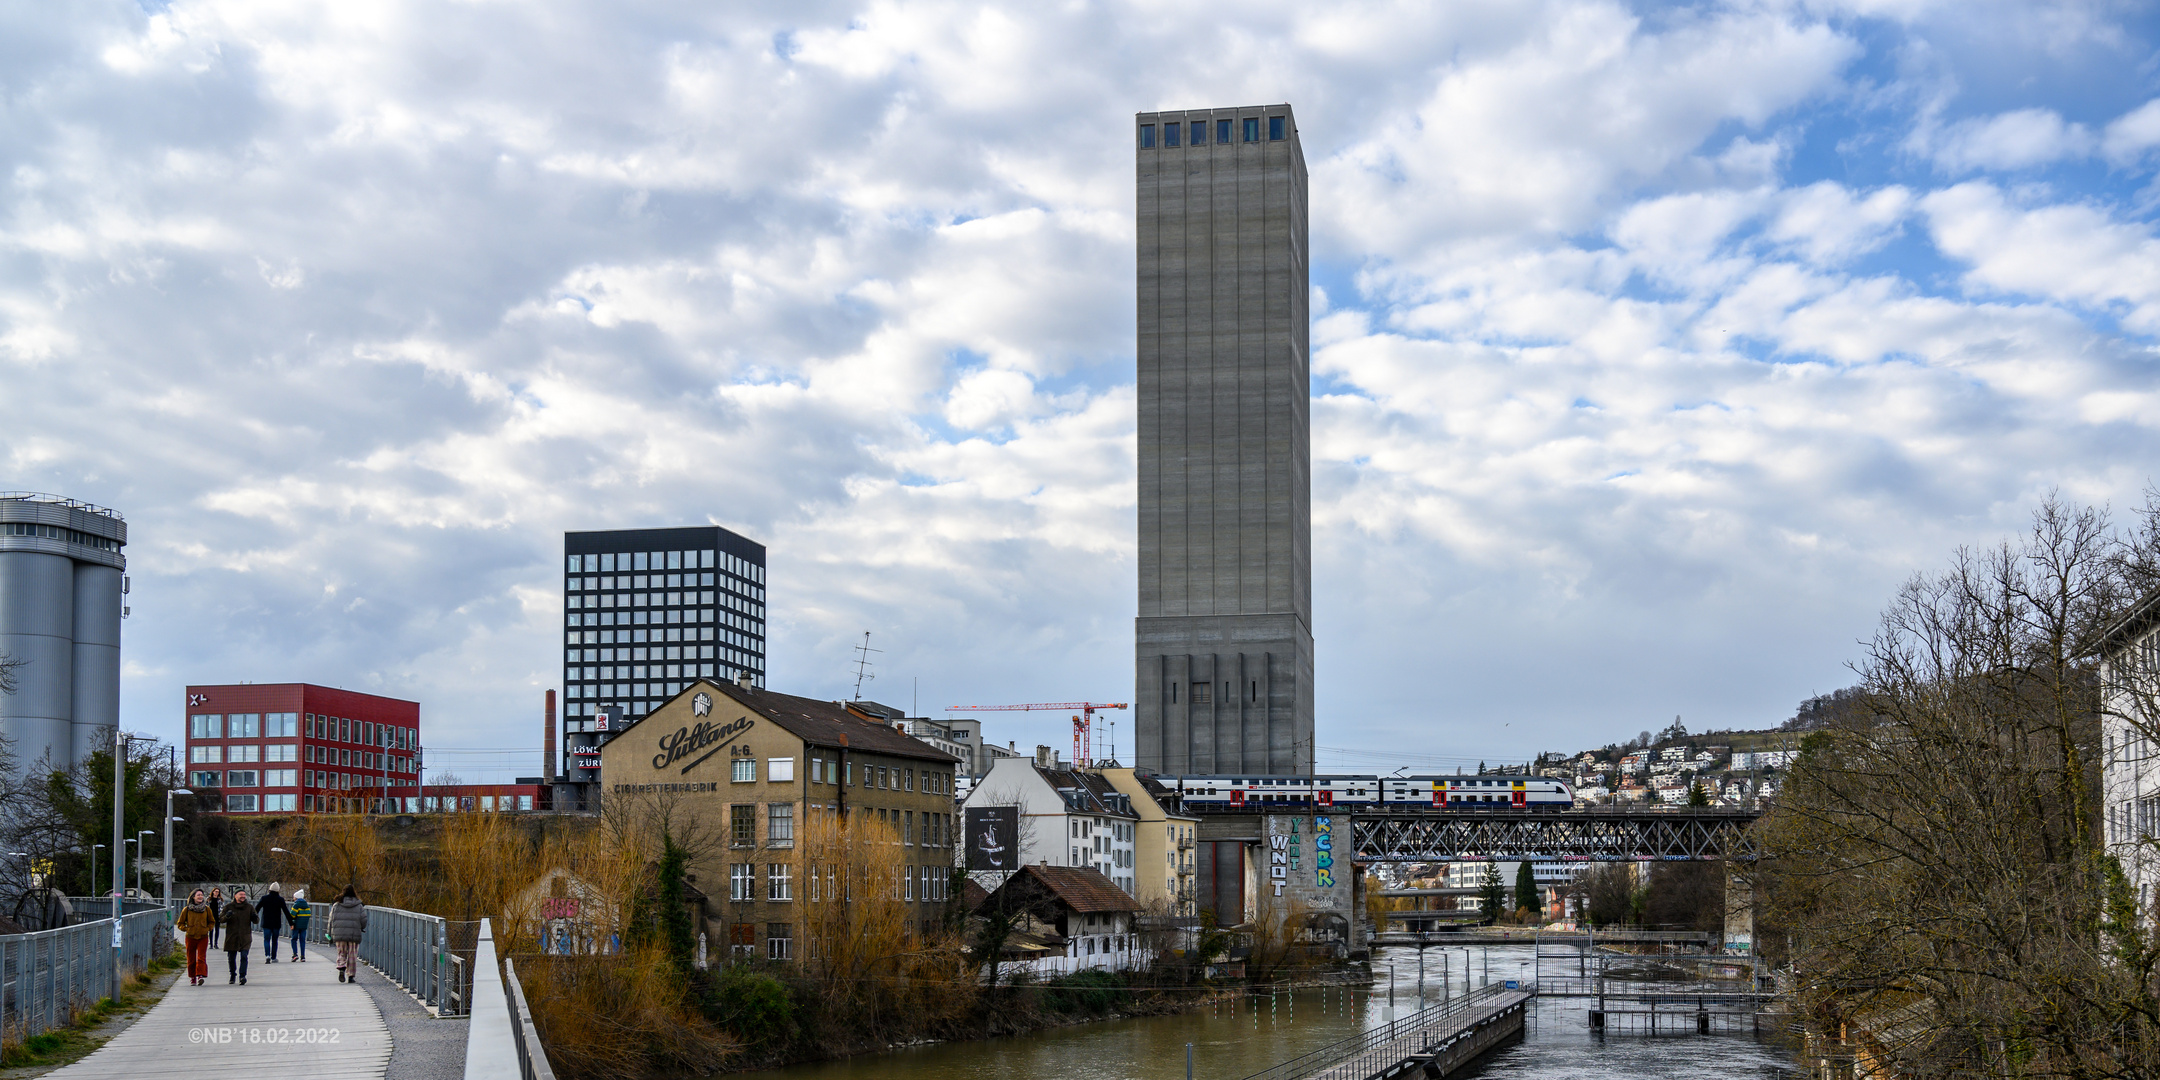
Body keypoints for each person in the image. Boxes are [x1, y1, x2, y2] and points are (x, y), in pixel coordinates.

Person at [328, 884, 368, 984]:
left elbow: (331, 920)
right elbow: (364, 920)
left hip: (339, 934)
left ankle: (341, 967)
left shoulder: (336, 905)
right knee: (352, 955)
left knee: (342, 952)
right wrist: (361, 928)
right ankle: (351, 976)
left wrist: (329, 933)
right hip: (354, 934)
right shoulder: (359, 905)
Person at [175, 889, 214, 986]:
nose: (200, 896)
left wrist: (207, 929)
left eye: (202, 895)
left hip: (203, 936)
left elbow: (212, 921)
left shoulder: (206, 909)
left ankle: (200, 975)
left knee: (201, 957)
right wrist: (186, 929)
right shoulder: (187, 909)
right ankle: (193, 977)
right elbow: (180, 923)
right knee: (191, 958)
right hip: (190, 937)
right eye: (198, 895)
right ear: (193, 897)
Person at [222, 887, 257, 985]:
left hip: (245, 936)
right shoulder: (229, 907)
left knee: (244, 956)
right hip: (232, 936)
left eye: (244, 895)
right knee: (231, 957)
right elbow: (221, 919)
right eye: (240, 895)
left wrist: (254, 917)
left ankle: (242, 976)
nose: (243, 896)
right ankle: (233, 974)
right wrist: (227, 916)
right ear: (235, 896)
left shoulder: (249, 907)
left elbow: (256, 920)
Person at [258, 882, 291, 962]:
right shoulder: (280, 899)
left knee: (266, 939)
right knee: (275, 940)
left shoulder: (264, 898)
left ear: (270, 890)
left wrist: (251, 918)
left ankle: (267, 955)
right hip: (276, 923)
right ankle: (273, 957)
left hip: (266, 922)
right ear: (278, 890)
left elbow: (257, 908)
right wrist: (291, 923)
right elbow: (286, 912)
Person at [289, 888, 310, 962]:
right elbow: (308, 914)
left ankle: (295, 954)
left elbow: (292, 915)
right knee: (302, 940)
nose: (293, 898)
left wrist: (292, 923)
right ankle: (303, 956)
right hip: (304, 926)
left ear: (296, 898)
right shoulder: (306, 905)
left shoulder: (296, 905)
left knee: (294, 939)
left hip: (296, 925)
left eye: (294, 897)